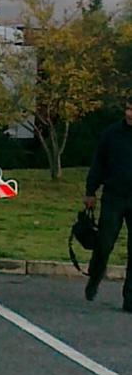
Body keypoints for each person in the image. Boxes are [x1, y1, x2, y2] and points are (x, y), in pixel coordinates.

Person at [83, 96, 132, 311]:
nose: (130, 113)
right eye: (129, 109)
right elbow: (98, 163)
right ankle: (95, 276)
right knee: (104, 243)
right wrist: (90, 191)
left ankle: (129, 299)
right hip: (114, 196)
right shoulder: (112, 134)